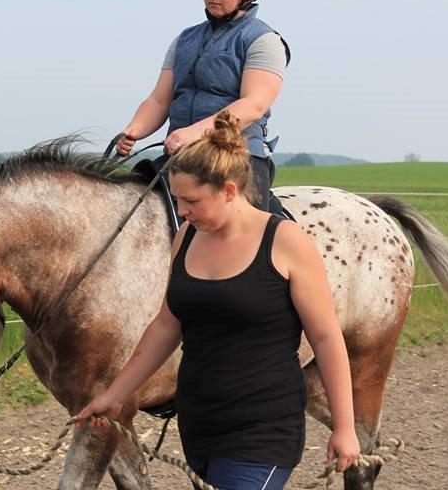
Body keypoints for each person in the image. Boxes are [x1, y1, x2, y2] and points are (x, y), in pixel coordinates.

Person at [77, 112, 360, 490]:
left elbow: (326, 338)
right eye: (177, 200)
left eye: (191, 200)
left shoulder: (284, 240)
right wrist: (114, 397)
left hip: (263, 429)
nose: (182, 212)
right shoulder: (187, 239)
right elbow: (166, 325)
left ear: (229, 190)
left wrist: (344, 427)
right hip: (200, 425)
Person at [116, 0, 289, 211]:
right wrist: (134, 129)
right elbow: (160, 100)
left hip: (237, 158)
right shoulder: (185, 39)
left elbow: (253, 105)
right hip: (181, 156)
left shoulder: (263, 41)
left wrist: (195, 133)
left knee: (246, 237)